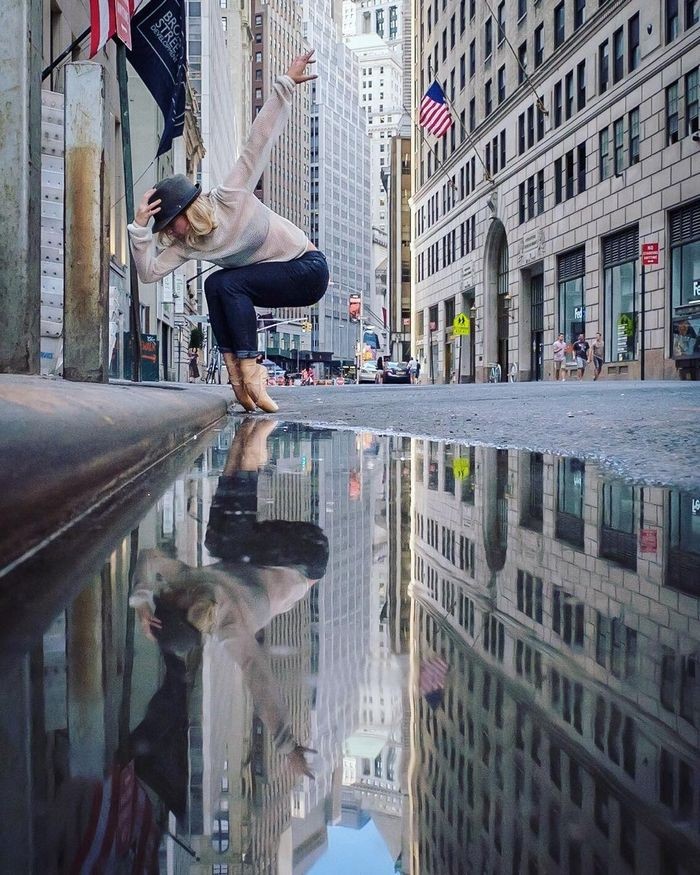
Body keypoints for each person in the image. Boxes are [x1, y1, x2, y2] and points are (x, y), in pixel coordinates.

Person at [127, 51, 328, 414]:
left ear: (190, 207)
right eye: (166, 226)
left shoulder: (229, 196)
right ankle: (237, 376)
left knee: (230, 283)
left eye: (173, 220)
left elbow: (258, 141)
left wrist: (285, 84)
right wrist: (140, 227)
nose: (172, 230)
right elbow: (148, 272)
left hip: (308, 269)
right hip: (273, 277)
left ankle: (253, 373)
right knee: (214, 284)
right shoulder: (187, 244)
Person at [131, 419, 327, 780]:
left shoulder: (188, 582)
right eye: (174, 598)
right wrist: (287, 745)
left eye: (172, 594)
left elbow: (149, 558)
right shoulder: (228, 625)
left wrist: (140, 600)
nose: (175, 591)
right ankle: (254, 444)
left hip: (291, 556)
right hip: (307, 557)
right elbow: (258, 677)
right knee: (224, 544)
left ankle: (244, 439)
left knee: (218, 543)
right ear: (184, 610)